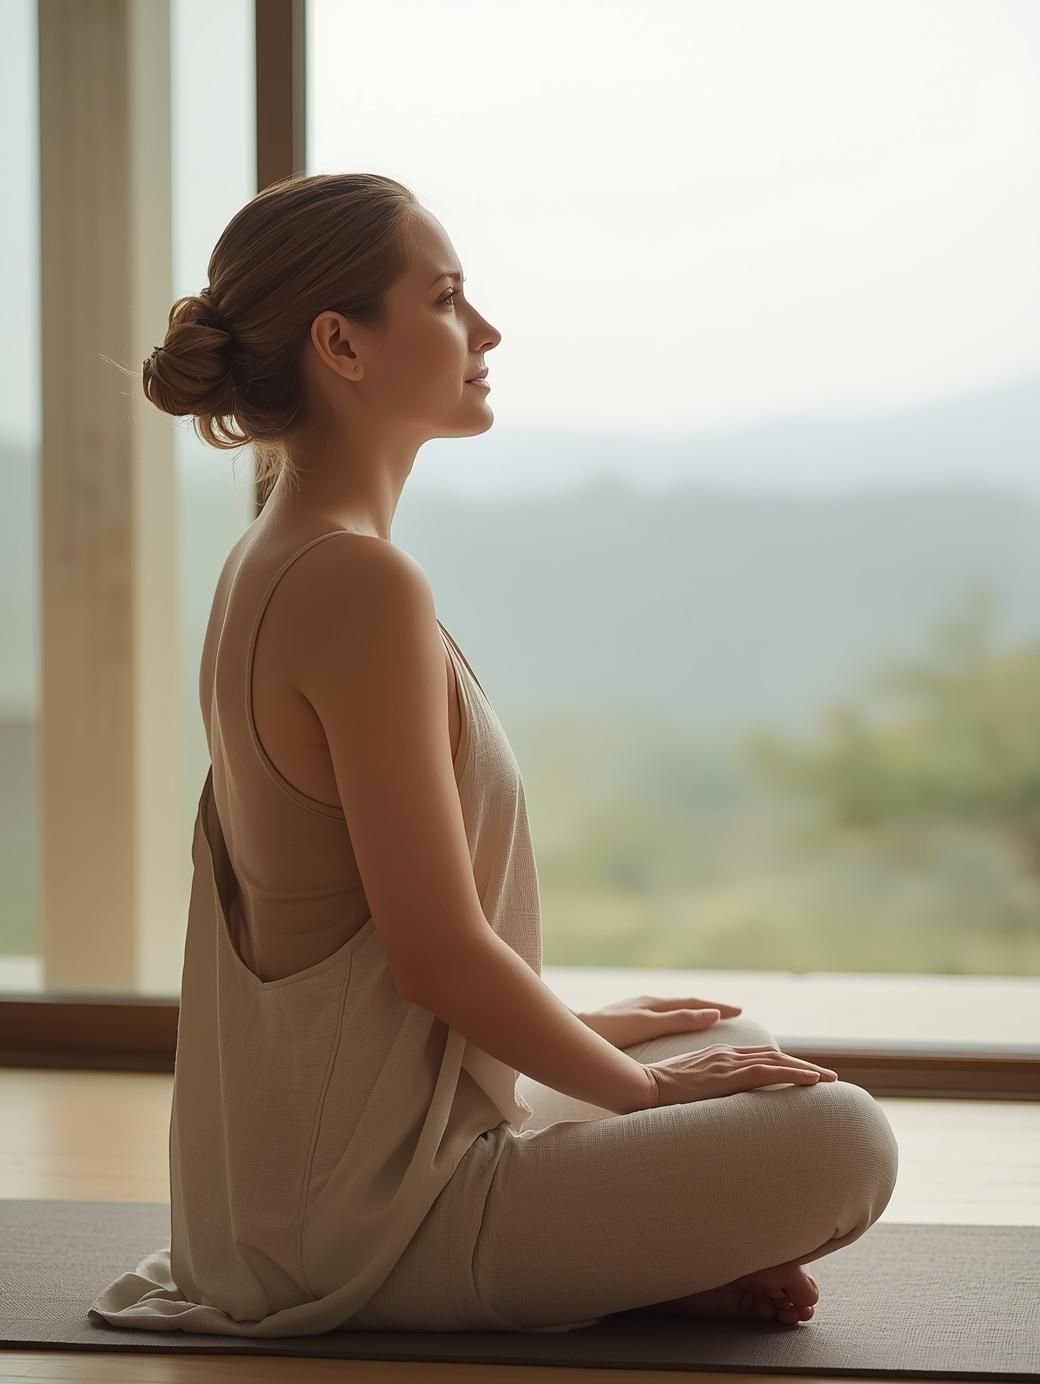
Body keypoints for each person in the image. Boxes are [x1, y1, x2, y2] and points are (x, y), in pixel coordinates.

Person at [88, 173, 898, 1339]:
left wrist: (624, 1045)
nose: (486, 331)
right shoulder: (352, 582)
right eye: (447, 298)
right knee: (839, 1137)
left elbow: (372, 951)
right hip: (365, 1221)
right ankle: (617, 1265)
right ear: (340, 344)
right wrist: (646, 1092)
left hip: (332, 1168)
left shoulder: (283, 555)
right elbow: (436, 959)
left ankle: (626, 1253)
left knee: (732, 1041)